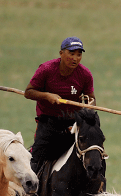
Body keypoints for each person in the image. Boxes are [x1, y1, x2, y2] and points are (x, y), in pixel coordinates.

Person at [24, 36, 96, 172]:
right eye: (71, 53)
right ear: (61, 53)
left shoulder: (85, 74)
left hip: (73, 124)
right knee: (36, 160)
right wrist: (47, 95)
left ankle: (98, 186)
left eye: (79, 55)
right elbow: (28, 92)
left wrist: (89, 107)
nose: (75, 58)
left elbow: (91, 98)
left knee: (94, 153)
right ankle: (26, 191)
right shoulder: (46, 69)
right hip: (48, 121)